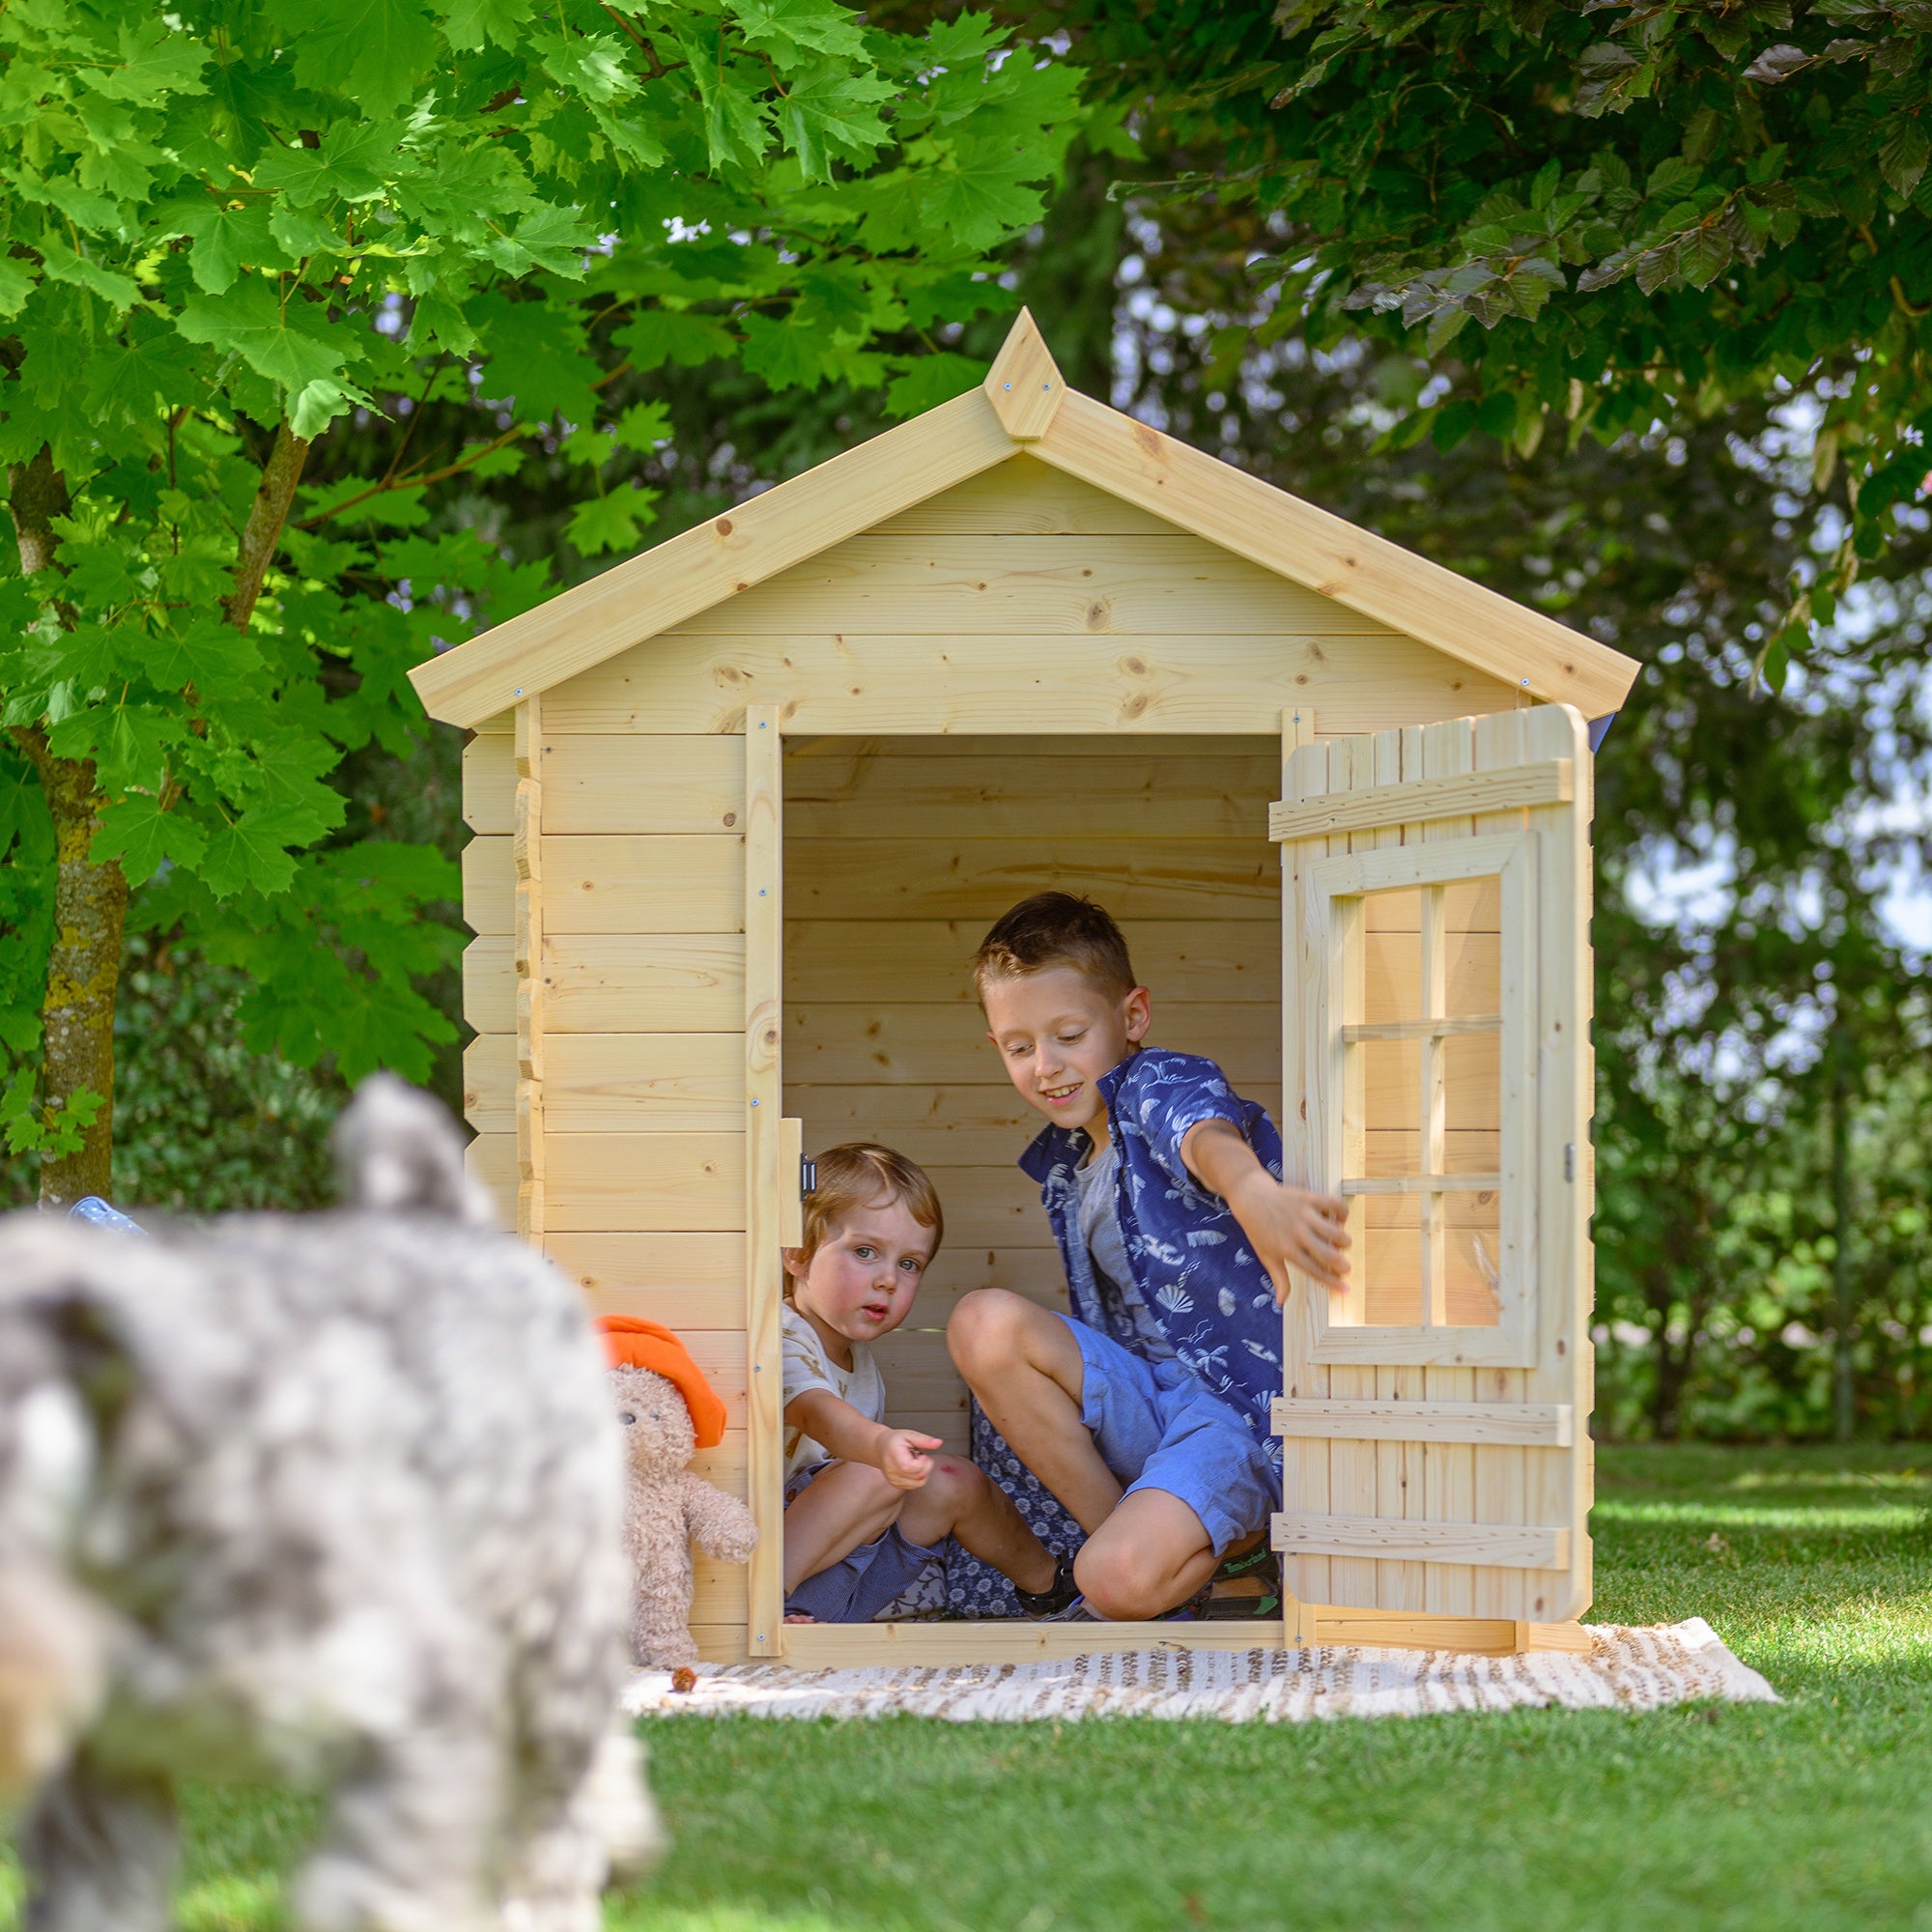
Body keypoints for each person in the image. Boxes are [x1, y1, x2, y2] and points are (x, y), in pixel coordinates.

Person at [947, 893, 1352, 1623]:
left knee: (1114, 1581)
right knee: (982, 1322)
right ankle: (1148, 1544)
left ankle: (1205, 1558)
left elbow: (1196, 1124)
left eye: (1069, 1034)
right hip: (1152, 1396)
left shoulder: (1150, 1084)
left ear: (1132, 1018)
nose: (1046, 1066)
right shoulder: (1067, 1170)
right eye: (1019, 1047)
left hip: (1230, 1406)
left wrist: (1250, 1187)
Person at [781, 1141, 1069, 1623]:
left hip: (833, 1577)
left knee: (951, 1480)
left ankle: (1058, 1592)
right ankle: (763, 1608)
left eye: (909, 1264)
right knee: (876, 1472)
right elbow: (817, 1414)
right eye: (866, 1251)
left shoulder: (859, 1361)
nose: (889, 1280)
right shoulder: (782, 1335)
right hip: (766, 1566)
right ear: (798, 1254)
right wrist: (879, 1448)